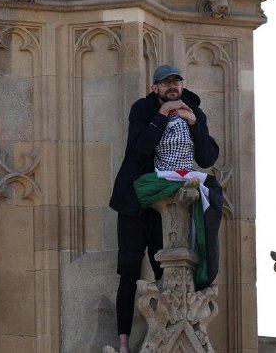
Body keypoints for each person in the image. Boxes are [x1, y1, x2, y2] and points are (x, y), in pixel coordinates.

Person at [109, 64, 222, 353]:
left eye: (176, 81)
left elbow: (207, 156)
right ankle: (123, 343)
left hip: (169, 206)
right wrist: (162, 116)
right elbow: (139, 150)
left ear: (182, 84)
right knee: (129, 273)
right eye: (165, 82)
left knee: (169, 272)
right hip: (135, 203)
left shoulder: (193, 109)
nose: (172, 86)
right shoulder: (143, 109)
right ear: (155, 87)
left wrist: (194, 123)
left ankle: (172, 336)